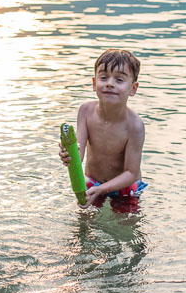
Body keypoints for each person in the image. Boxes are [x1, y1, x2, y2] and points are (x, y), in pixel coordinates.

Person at [59, 48, 146, 206]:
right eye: (104, 77)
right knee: (84, 221)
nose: (110, 84)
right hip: (94, 183)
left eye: (119, 80)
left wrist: (101, 190)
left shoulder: (135, 126)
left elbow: (131, 173)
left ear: (133, 88)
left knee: (125, 229)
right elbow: (79, 152)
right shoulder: (85, 111)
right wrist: (69, 154)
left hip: (125, 187)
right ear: (94, 83)